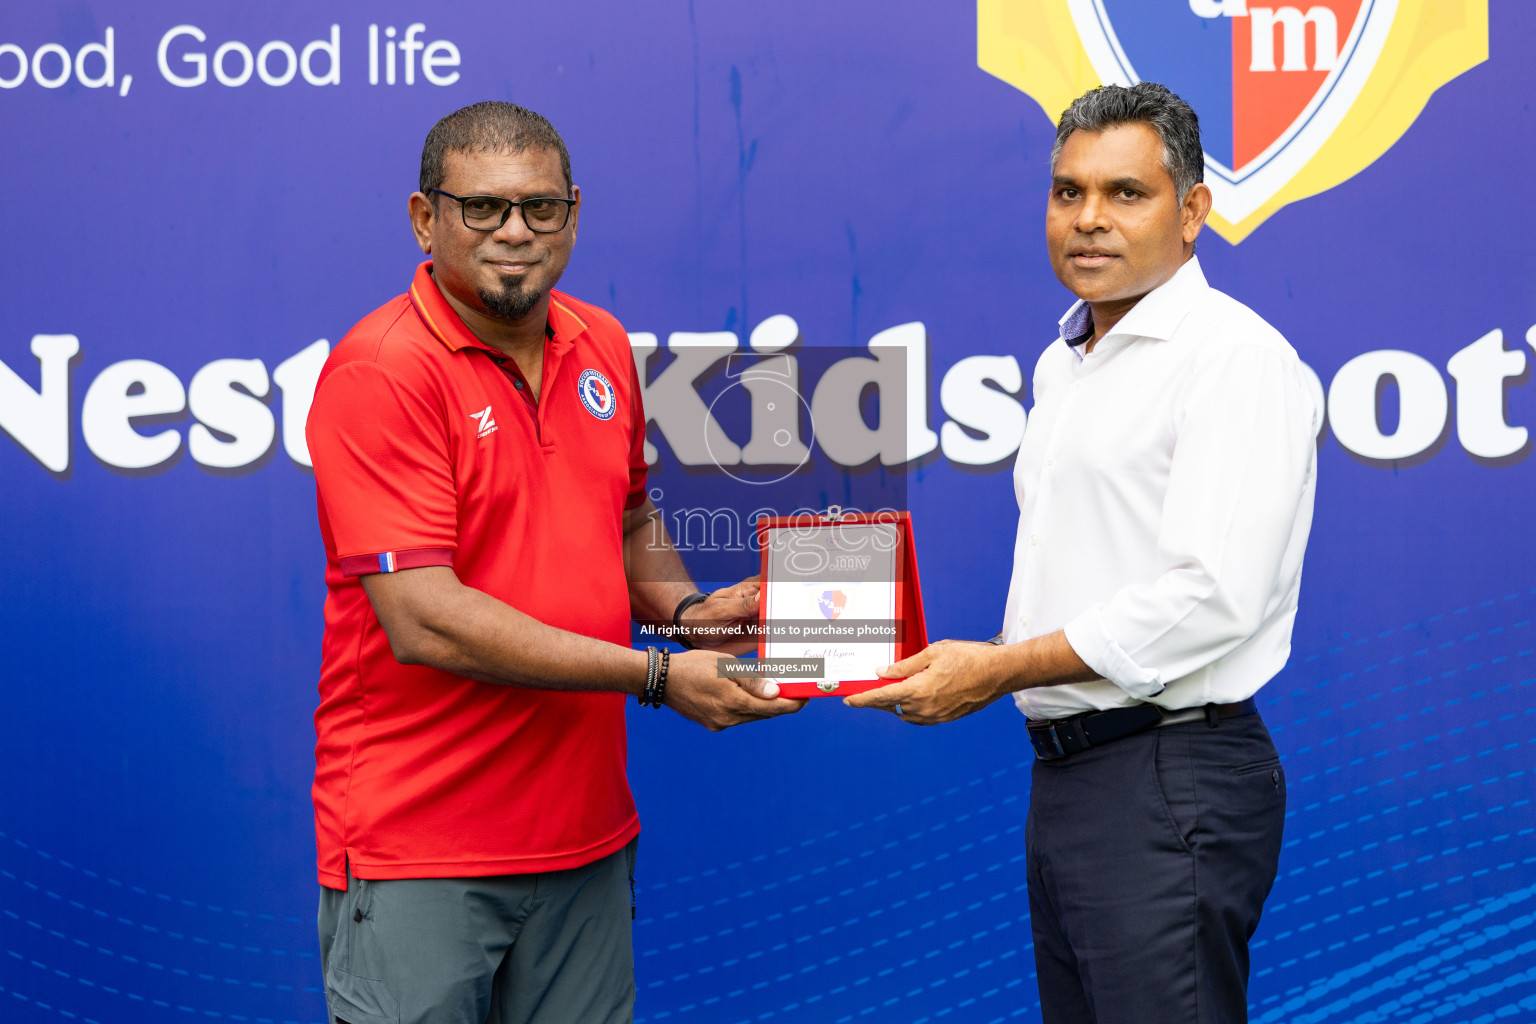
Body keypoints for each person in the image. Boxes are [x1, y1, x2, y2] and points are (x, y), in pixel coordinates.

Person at [305, 101, 804, 1024]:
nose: (515, 235)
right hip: (424, 846)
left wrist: (692, 615)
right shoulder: (381, 371)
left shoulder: (601, 343)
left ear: (574, 212)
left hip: (584, 840)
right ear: (426, 218)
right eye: (482, 210)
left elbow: (625, 522)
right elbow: (423, 619)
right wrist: (657, 673)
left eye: (540, 209)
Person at [847, 83, 1318, 1023]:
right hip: (1070, 776)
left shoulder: (1232, 360)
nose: (1089, 220)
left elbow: (1209, 597)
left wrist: (1000, 670)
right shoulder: (1068, 360)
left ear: (1192, 211)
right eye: (1068, 193)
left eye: (1125, 194)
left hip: (1167, 774)